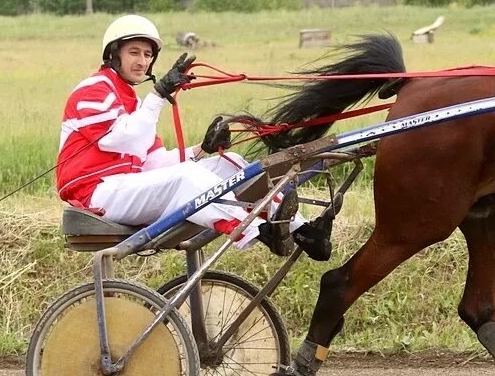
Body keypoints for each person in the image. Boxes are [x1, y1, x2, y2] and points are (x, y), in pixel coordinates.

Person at [56, 14, 333, 259]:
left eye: (147, 55)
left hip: (123, 187)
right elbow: (119, 140)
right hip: (97, 193)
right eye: (134, 53)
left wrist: (202, 150)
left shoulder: (132, 102)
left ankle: (300, 229)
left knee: (230, 163)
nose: (142, 62)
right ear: (113, 53)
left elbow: (152, 162)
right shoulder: (94, 90)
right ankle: (257, 230)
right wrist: (158, 96)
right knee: (188, 177)